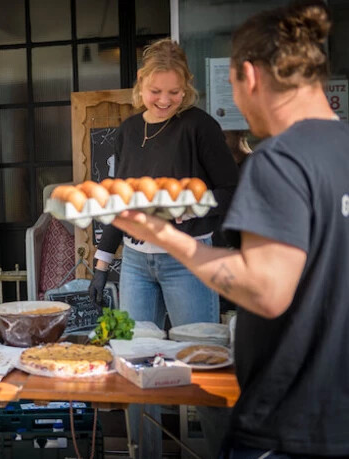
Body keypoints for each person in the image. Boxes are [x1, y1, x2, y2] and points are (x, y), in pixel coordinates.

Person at [111, 2, 349, 457]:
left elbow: (266, 290)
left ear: (249, 76)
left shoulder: (279, 160)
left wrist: (167, 236)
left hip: (283, 425)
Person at [87, 38, 240, 458]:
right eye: (156, 92)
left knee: (203, 369)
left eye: (174, 92)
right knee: (138, 370)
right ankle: (143, 452)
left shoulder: (199, 126)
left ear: (186, 87)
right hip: (136, 263)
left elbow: (231, 190)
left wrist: (189, 209)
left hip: (187, 260)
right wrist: (102, 264)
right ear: (141, 86)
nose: (165, 100)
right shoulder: (128, 131)